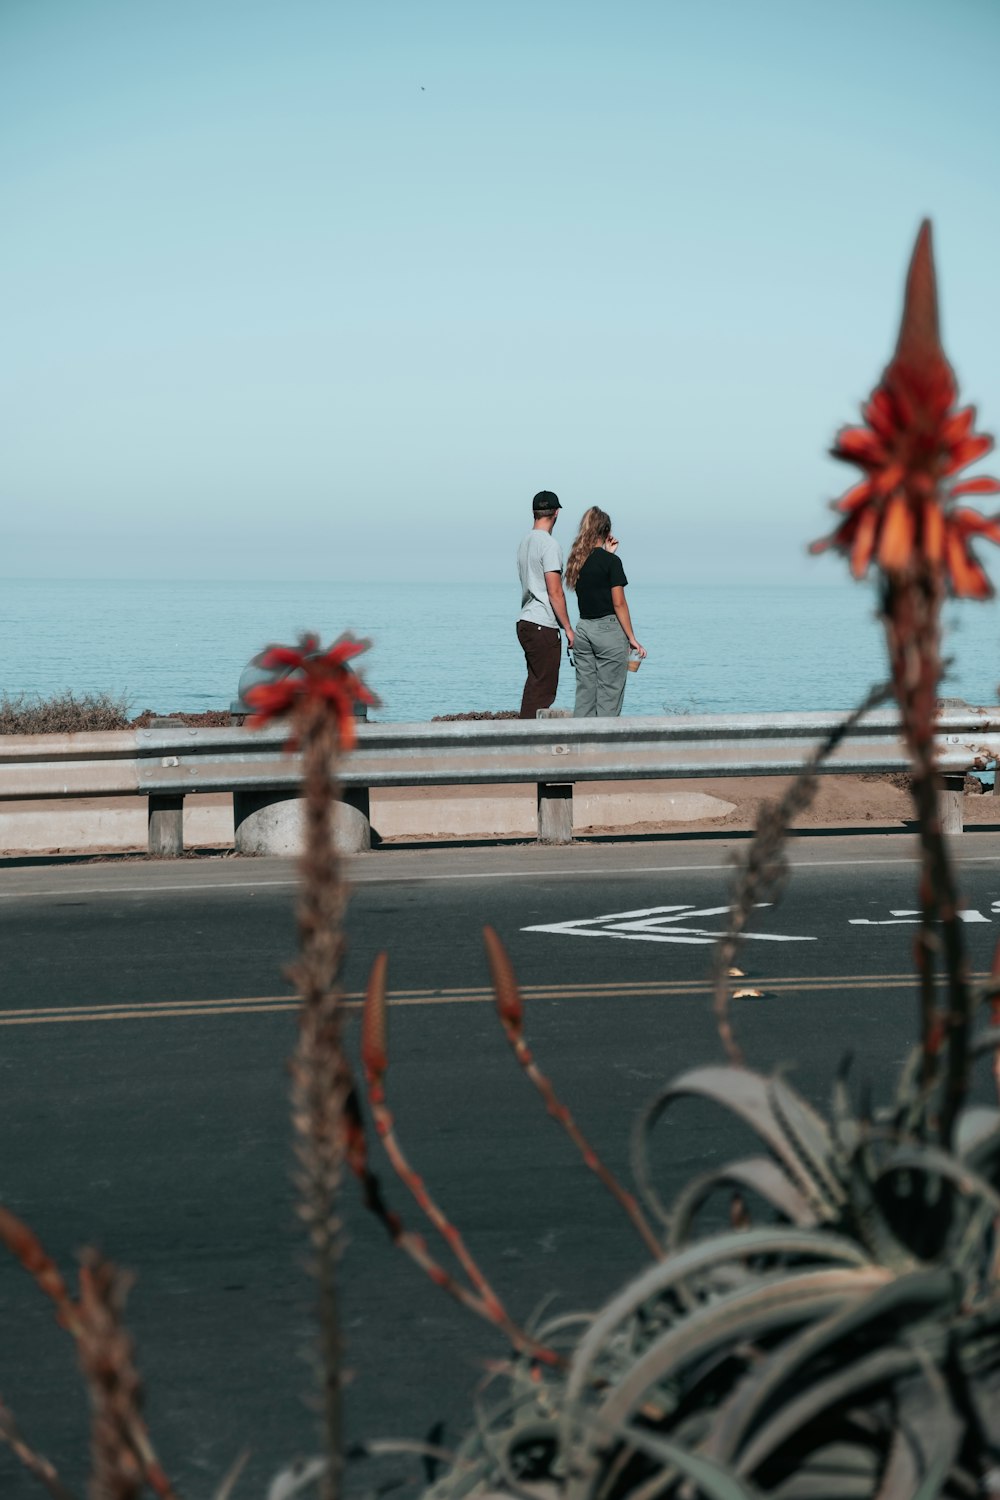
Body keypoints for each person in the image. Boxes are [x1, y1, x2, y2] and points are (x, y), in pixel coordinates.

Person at [565, 506, 646, 717]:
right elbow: (618, 603)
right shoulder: (612, 563)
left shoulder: (577, 562)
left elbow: (594, 586)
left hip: (583, 630)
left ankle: (580, 744)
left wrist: (607, 554)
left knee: (585, 694)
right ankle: (602, 748)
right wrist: (632, 638)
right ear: (606, 531)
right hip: (608, 632)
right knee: (609, 695)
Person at [516, 490, 575, 719]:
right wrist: (568, 628)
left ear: (534, 512)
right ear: (556, 513)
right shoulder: (550, 545)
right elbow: (555, 591)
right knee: (543, 690)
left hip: (525, 621)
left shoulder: (525, 542)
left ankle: (523, 736)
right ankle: (528, 742)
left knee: (534, 685)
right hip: (543, 624)